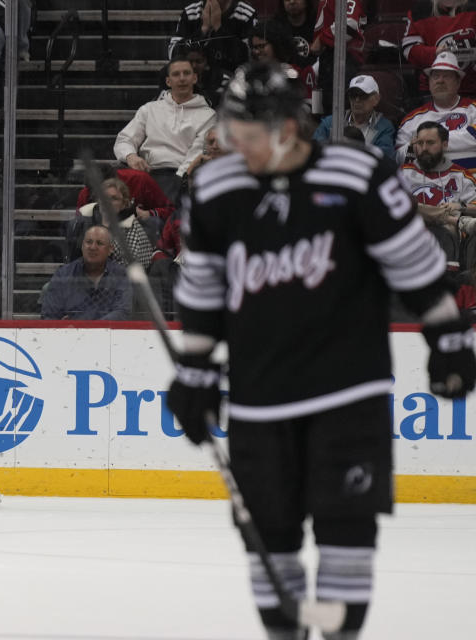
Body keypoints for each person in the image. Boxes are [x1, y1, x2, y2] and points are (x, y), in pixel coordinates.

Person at [166, 62, 476, 640]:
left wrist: (447, 335)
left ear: (289, 129)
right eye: (232, 136)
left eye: (248, 138)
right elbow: (204, 292)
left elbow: (416, 268)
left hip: (347, 393)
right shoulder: (216, 189)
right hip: (260, 400)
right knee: (270, 543)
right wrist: (195, 370)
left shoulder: (356, 177)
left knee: (345, 533)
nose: (238, 149)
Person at [113, 56, 217, 205]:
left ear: (195, 78)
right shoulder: (149, 109)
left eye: (186, 73)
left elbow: (197, 153)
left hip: (178, 174)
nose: (182, 79)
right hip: (145, 171)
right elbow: (124, 139)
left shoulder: (208, 115)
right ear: (168, 81)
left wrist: (181, 179)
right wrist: (131, 157)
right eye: (176, 74)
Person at [396, 51, 476, 168]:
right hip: (426, 182)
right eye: (435, 76)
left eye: (446, 76)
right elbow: (399, 157)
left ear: (458, 82)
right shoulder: (411, 119)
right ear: (429, 82)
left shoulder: (473, 109)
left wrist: (424, 143)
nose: (440, 80)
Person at [41, 225, 132, 321]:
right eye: (89, 242)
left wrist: (89, 328)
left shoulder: (121, 275)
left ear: (110, 249)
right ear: (82, 246)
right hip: (69, 334)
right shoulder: (63, 274)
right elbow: (49, 315)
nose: (93, 247)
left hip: (107, 334)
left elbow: (123, 312)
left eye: (99, 243)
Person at [400, 121, 476, 234]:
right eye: (420, 143)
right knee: (409, 205)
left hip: (448, 238)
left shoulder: (461, 175)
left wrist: (460, 206)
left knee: (448, 228)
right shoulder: (402, 173)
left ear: (445, 145)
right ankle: (453, 219)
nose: (424, 148)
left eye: (430, 143)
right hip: (411, 234)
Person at [67, 177, 160, 267]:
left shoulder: (133, 230)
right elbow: (72, 261)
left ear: (124, 204)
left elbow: (130, 271)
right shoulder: (82, 222)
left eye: (114, 198)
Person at [403, 0, 476, 98]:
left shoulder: (473, 7)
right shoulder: (420, 11)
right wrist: (434, 53)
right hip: (434, 91)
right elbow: (409, 50)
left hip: (471, 88)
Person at [313, 75, 396, 158]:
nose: (357, 100)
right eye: (353, 95)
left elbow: (384, 157)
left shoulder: (384, 127)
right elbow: (315, 148)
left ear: (376, 99)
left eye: (363, 95)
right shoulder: (331, 122)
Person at [168, 0, 258, 74]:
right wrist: (204, 29)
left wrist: (218, 28)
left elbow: (249, 57)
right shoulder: (191, 12)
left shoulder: (246, 14)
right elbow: (173, 54)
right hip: (194, 79)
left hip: (232, 78)